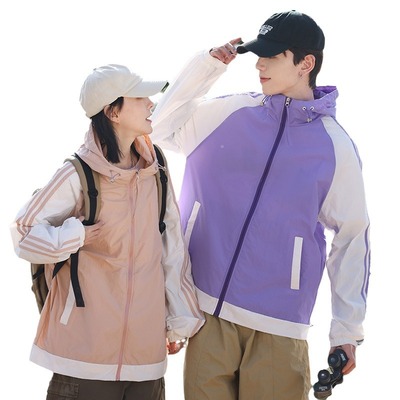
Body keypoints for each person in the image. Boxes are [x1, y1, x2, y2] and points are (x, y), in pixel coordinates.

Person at [151, 10, 371, 400]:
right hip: (207, 314)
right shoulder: (229, 113)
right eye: (258, 55)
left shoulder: (334, 147)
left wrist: (346, 331)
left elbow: (352, 237)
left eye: (272, 56)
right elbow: (160, 126)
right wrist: (206, 68)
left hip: (279, 326)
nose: (259, 65)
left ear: (306, 64)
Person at [10, 63, 204, 400]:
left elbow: (171, 247)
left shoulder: (156, 169)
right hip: (82, 359)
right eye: (140, 98)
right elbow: (23, 232)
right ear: (112, 111)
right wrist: (77, 235)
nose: (151, 103)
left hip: (146, 360)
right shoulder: (78, 172)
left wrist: (179, 318)